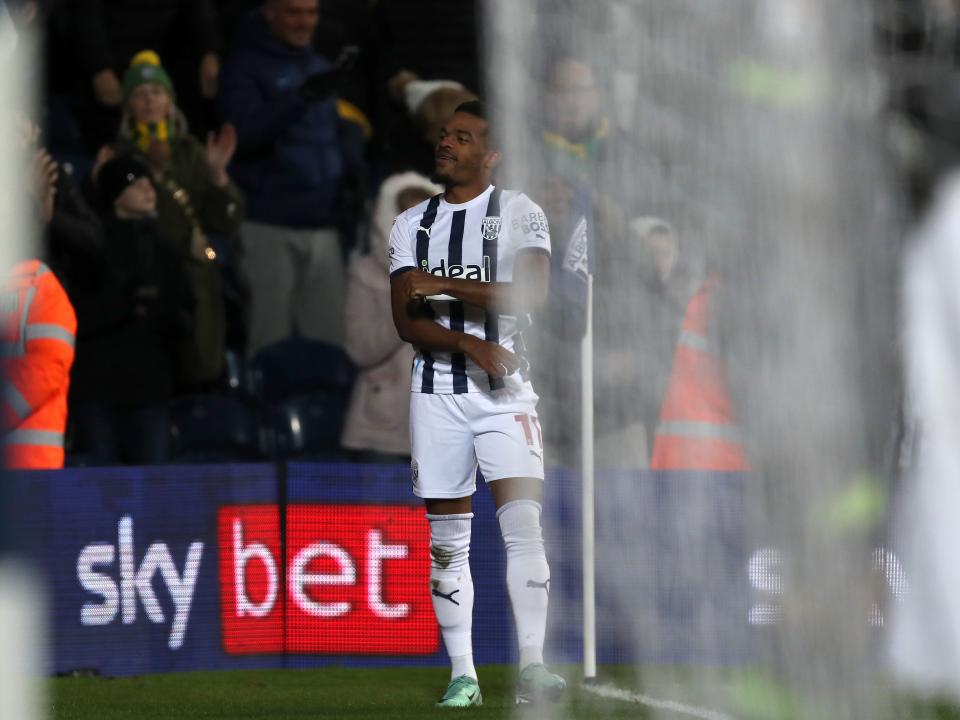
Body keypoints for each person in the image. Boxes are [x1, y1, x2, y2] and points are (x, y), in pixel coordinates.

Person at [389, 100, 566, 707]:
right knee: (448, 541)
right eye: (443, 135)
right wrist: (466, 339)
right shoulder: (411, 223)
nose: (446, 144)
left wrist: (440, 285)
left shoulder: (520, 212)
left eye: (461, 137)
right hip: (436, 396)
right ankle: (463, 674)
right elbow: (405, 321)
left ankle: (533, 667)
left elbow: (532, 295)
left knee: (523, 528)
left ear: (490, 155)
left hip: (506, 393)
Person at [98, 49, 244, 388]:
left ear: (170, 102)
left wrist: (219, 177)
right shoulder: (118, 157)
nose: (149, 101)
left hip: (195, 280)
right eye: (139, 94)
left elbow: (226, 220)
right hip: (144, 279)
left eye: (156, 92)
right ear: (128, 107)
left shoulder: (192, 152)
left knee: (201, 366)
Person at [219, 0, 358, 357]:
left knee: (330, 348)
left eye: (311, 12)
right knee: (269, 344)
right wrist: (300, 97)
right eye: (294, 12)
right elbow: (244, 136)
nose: (305, 22)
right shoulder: (243, 67)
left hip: (323, 227)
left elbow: (324, 140)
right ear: (269, 12)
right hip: (268, 224)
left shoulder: (320, 67)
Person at [69, 156, 193, 465]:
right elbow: (80, 315)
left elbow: (185, 309)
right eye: (134, 183)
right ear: (115, 195)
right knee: (100, 487)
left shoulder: (166, 245)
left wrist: (167, 316)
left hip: (151, 388)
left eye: (148, 182)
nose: (147, 188)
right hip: (98, 388)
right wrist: (130, 304)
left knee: (151, 487)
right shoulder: (92, 244)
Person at [340, 172, 440, 463]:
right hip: (382, 432)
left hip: (439, 429)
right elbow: (359, 350)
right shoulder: (365, 273)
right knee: (383, 508)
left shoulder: (453, 276)